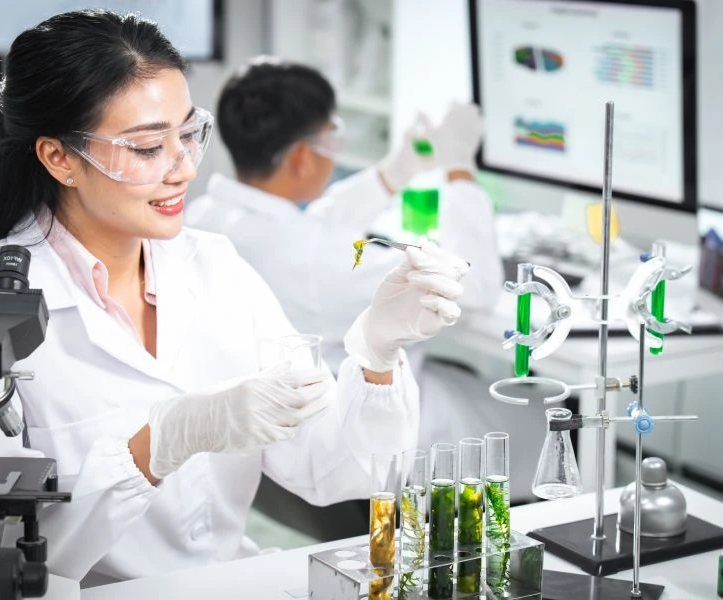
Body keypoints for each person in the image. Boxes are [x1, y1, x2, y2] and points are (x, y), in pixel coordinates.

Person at [0, 10, 470, 583]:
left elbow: (331, 471)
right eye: (146, 148)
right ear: (59, 158)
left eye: (187, 134)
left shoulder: (215, 266)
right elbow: (9, 558)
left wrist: (377, 355)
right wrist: (158, 444)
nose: (183, 168)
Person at [186, 59, 543, 503]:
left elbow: (312, 228)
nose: (334, 149)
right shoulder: (317, 257)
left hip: (292, 431)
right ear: (301, 157)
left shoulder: (208, 217)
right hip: (377, 437)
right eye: (330, 138)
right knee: (550, 423)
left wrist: (394, 173)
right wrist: (459, 171)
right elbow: (475, 286)